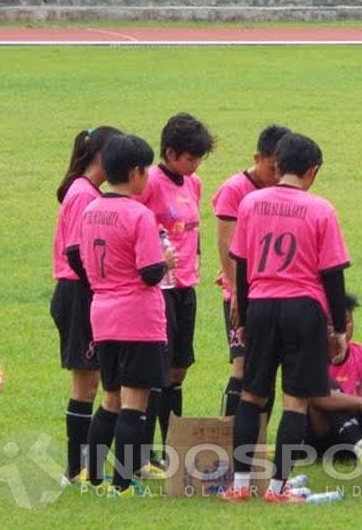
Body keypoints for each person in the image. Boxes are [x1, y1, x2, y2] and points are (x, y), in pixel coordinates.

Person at [219, 132, 350, 504]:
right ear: (312, 171)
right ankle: (277, 489)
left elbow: (241, 264)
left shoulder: (251, 203)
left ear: (277, 165)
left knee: (251, 394)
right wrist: (338, 328)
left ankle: (241, 485)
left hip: (260, 306)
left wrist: (241, 314)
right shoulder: (321, 209)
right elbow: (332, 274)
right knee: (295, 402)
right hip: (303, 309)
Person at [80, 134, 171, 497]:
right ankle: (124, 484)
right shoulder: (139, 214)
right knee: (135, 403)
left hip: (103, 315)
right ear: (135, 172)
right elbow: (150, 273)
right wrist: (166, 261)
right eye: (145, 170)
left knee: (110, 400)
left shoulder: (91, 211)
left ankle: (92, 477)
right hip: (138, 318)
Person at [135, 112, 214, 465]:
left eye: (199, 158)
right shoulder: (149, 182)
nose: (195, 164)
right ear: (169, 152)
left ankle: (173, 447)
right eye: (189, 157)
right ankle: (146, 450)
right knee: (157, 368)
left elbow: (192, 233)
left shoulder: (192, 183)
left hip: (186, 286)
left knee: (180, 366)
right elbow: (132, 223)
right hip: (159, 288)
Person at [52, 125, 121, 485]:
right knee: (86, 383)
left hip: (82, 291)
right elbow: (77, 252)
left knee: (92, 380)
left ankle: (81, 466)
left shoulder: (85, 189)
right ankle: (74, 470)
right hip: (78, 292)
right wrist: (101, 285)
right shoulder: (83, 194)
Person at [212, 124, 291, 416]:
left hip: (272, 291)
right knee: (242, 365)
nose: (278, 178)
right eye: (272, 169)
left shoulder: (285, 188)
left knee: (265, 368)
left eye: (282, 170)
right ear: (257, 158)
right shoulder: (235, 189)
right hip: (242, 291)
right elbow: (225, 244)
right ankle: (228, 437)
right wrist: (235, 291)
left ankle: (254, 442)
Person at [306, 294, 362, 469]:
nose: (338, 330)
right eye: (330, 324)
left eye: (346, 322)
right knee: (326, 389)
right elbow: (318, 398)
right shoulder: (308, 359)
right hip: (324, 439)